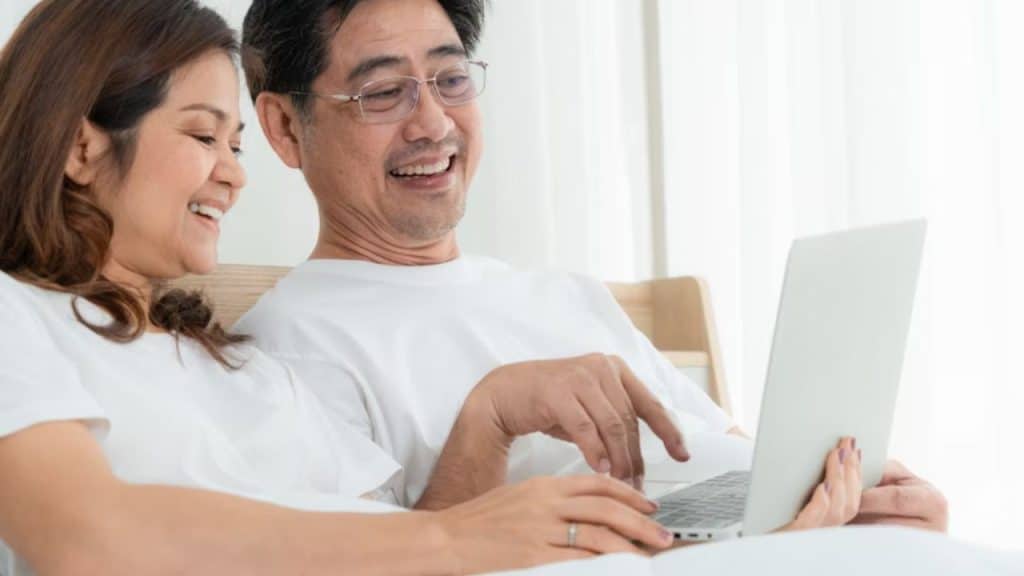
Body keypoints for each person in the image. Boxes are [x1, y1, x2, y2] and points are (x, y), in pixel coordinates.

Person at [0, 1, 755, 573]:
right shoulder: (16, 317)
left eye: (233, 143)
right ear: (79, 146)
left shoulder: (238, 369)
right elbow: (83, 535)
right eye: (204, 137)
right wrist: (456, 532)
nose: (234, 173)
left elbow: (396, 538)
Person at [236, 0, 948, 532]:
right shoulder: (287, 348)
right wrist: (488, 420)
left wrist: (853, 504)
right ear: (284, 127)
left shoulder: (565, 294)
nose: (433, 124)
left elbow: (729, 462)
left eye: (451, 79)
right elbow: (378, 569)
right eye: (384, 92)